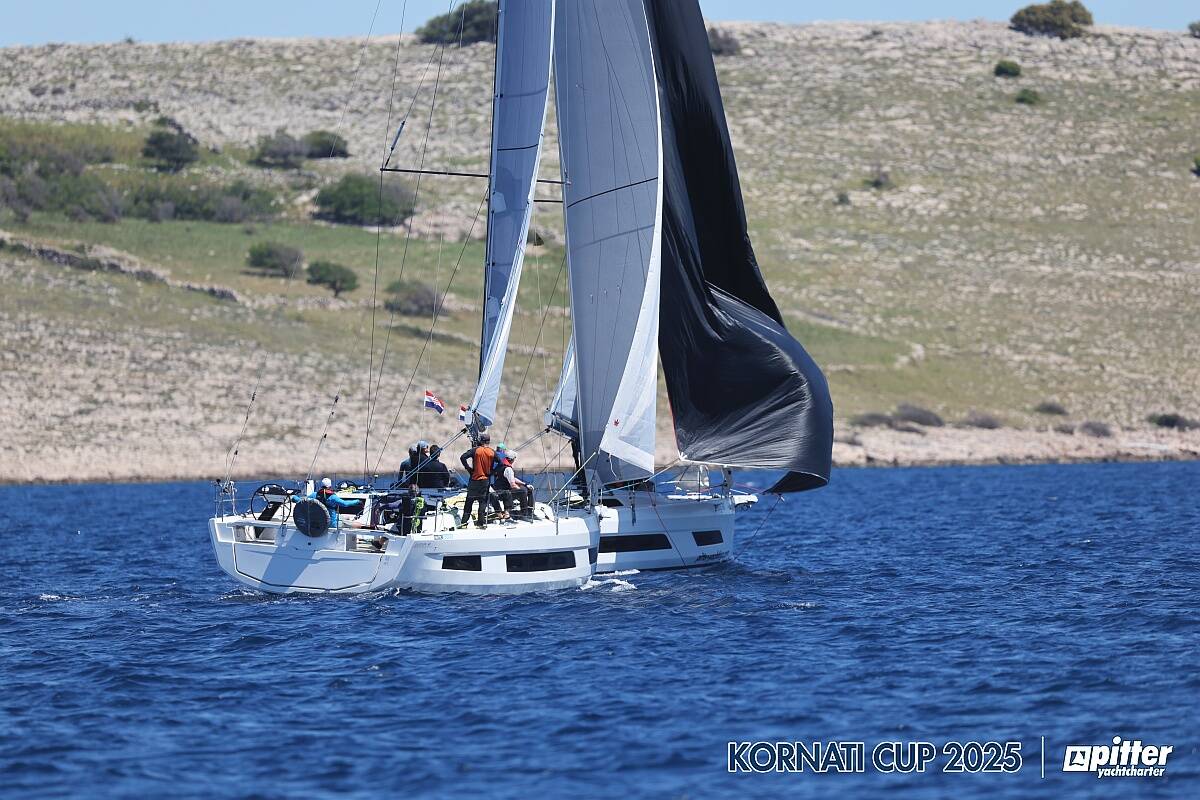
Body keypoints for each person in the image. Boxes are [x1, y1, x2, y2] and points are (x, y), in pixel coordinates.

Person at [459, 433, 497, 529]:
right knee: (482, 501)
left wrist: (468, 469)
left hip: (474, 479)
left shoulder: (475, 450)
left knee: (469, 501)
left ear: (480, 441)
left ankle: (464, 522)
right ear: (488, 441)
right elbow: (500, 463)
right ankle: (481, 523)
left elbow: (462, 457)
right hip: (485, 480)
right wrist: (492, 472)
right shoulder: (492, 452)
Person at [493, 450, 534, 520]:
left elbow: (512, 478)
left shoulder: (501, 465)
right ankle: (526, 513)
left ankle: (527, 511)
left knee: (524, 488)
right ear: (512, 459)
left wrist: (525, 484)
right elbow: (513, 485)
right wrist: (520, 489)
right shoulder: (508, 469)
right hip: (504, 493)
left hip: (498, 489)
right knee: (524, 491)